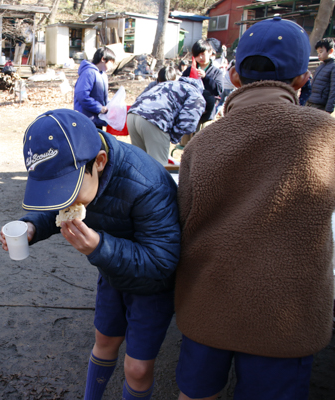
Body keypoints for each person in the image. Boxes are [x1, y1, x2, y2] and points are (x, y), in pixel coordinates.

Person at [175, 16, 334, 400]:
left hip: (206, 305)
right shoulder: (325, 134)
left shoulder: (202, 143)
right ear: (302, 79)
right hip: (285, 319)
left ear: (233, 76)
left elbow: (183, 219)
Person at [0, 109, 180, 400]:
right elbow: (59, 208)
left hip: (153, 287)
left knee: (136, 368)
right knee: (104, 341)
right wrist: (32, 224)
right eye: (54, 190)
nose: (65, 199)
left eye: (68, 189)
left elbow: (162, 261)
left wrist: (100, 247)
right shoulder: (82, 171)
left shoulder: (148, 184)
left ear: (99, 162)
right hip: (112, 274)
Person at [127, 69, 205, 164]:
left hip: (133, 115)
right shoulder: (196, 93)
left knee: (139, 164)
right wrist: (174, 136)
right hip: (155, 119)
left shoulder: (170, 84)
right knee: (157, 167)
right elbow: (188, 121)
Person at [180, 40, 223, 145]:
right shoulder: (190, 70)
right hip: (190, 110)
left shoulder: (217, 72)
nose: (201, 58)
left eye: (203, 54)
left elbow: (219, 90)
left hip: (207, 111)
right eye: (197, 55)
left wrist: (206, 78)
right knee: (186, 143)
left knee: (202, 142)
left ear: (210, 52)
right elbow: (180, 85)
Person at [74, 47, 116, 128]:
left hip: (97, 119)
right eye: (111, 62)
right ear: (103, 59)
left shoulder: (103, 75)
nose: (112, 66)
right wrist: (99, 108)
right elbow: (82, 96)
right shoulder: (89, 73)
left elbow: (102, 97)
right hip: (86, 120)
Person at [306, 38, 335, 114]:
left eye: (321, 52)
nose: (318, 55)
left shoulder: (333, 67)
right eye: (318, 52)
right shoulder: (320, 66)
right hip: (310, 103)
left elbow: (333, 90)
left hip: (320, 106)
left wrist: (329, 110)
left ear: (330, 51)